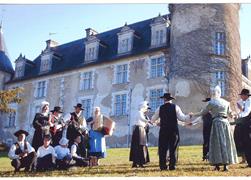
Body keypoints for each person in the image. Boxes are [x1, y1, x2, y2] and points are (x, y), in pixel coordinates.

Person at [191, 86, 238, 171]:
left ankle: (217, 165)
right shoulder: (226, 102)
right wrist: (235, 115)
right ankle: (225, 165)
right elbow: (231, 114)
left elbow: (202, 113)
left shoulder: (212, 103)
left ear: (213, 93)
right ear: (220, 92)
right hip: (225, 123)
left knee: (216, 143)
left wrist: (193, 114)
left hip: (216, 123)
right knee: (225, 143)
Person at [151, 93, 192, 171]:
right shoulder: (175, 107)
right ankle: (172, 166)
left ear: (164, 99)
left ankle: (163, 166)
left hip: (163, 131)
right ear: (171, 99)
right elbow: (182, 118)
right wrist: (189, 116)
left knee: (163, 149)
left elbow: (153, 119)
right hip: (173, 130)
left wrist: (156, 123)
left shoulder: (160, 108)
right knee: (173, 148)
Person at [129, 101, 150, 168]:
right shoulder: (139, 113)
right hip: (139, 130)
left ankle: (137, 163)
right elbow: (142, 119)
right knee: (139, 146)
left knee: (139, 146)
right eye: (145, 107)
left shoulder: (140, 113)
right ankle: (138, 163)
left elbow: (144, 121)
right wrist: (149, 121)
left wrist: (150, 122)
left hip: (140, 130)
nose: (146, 109)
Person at [234, 89, 251, 163]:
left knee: (246, 141)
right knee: (239, 140)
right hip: (242, 122)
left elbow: (246, 112)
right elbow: (239, 104)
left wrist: (238, 115)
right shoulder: (242, 101)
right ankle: (244, 158)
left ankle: (247, 159)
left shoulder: (249, 102)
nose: (241, 96)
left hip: (246, 123)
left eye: (242, 95)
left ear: (246, 95)